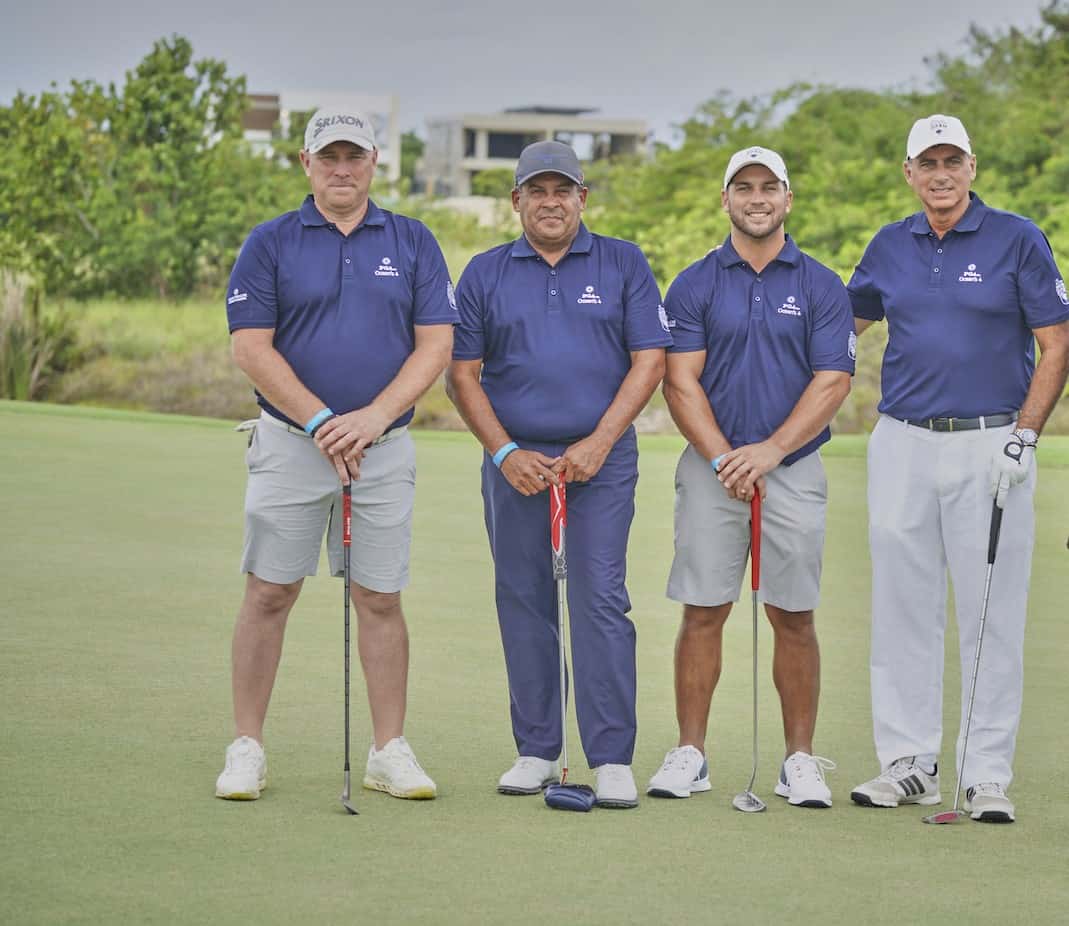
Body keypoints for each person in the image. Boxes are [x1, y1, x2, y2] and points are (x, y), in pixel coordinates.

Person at [215, 108, 457, 802]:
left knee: (379, 597)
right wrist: (324, 421)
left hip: (383, 450)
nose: (342, 170)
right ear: (306, 163)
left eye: (354, 157)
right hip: (290, 446)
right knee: (268, 592)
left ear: (375, 162)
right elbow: (250, 348)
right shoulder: (270, 243)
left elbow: (434, 345)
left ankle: (388, 750)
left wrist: (373, 417)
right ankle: (247, 747)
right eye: (329, 158)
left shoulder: (412, 241)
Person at [848, 114, 1069, 822]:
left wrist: (1025, 436)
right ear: (908, 174)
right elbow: (839, 328)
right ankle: (908, 763)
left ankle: (984, 775)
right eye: (926, 163)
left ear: (971, 167)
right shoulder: (889, 244)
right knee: (901, 608)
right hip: (901, 441)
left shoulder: (1016, 238)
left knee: (989, 612)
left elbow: (1054, 343)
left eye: (952, 161)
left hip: (990, 441)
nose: (940, 174)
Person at [446, 141, 671, 809]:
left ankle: (609, 758)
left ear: (582, 198)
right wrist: (503, 452)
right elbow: (462, 375)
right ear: (515, 200)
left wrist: (599, 441)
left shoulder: (622, 262)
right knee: (523, 598)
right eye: (536, 191)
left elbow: (648, 361)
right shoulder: (485, 272)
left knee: (598, 599)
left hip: (599, 462)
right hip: (514, 463)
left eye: (562, 190)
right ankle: (538, 749)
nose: (550, 201)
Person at [648, 146, 854, 808]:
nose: (756, 196)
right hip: (712, 471)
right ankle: (691, 754)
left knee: (793, 615)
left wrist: (768, 451)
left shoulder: (820, 285)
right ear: (725, 199)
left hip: (791, 468)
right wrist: (721, 457)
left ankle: (798, 760)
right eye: (743, 186)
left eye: (769, 186)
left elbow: (832, 380)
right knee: (702, 610)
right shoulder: (695, 282)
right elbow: (679, 382)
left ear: (788, 199)